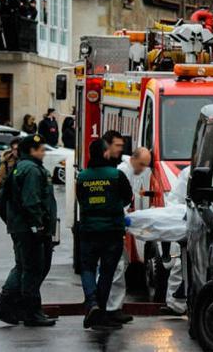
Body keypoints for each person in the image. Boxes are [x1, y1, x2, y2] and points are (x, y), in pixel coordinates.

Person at [0, 134, 57, 327]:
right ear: (32, 151)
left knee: (23, 267)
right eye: (40, 149)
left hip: (21, 227)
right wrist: (37, 225)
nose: (43, 152)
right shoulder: (31, 169)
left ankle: (6, 307)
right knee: (32, 268)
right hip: (30, 228)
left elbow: (5, 202)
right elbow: (32, 201)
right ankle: (30, 312)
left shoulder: (20, 167)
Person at [77, 139, 134, 331]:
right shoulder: (116, 175)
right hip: (112, 231)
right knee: (107, 273)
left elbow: (81, 199)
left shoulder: (82, 177)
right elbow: (128, 198)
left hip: (88, 231)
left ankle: (92, 304)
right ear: (104, 153)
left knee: (88, 268)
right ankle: (100, 313)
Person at [107, 147, 152, 324]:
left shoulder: (131, 172)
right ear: (133, 159)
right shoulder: (123, 172)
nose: (143, 168)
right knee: (117, 268)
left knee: (121, 265)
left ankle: (114, 306)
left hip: (118, 224)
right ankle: (112, 309)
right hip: (114, 226)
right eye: (141, 164)